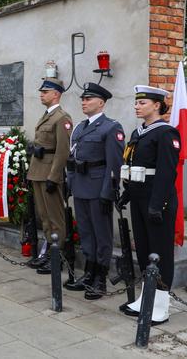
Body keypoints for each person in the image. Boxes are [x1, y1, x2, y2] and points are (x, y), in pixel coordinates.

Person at [119, 85, 180, 325]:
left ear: (157, 105)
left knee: (160, 253)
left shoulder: (166, 133)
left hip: (157, 201)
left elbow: (166, 172)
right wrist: (128, 193)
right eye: (136, 102)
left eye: (142, 103)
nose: (136, 106)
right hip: (140, 198)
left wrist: (158, 204)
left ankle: (161, 305)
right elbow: (135, 167)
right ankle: (147, 298)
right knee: (144, 249)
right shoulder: (139, 132)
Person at [64, 83, 124, 299]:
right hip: (80, 187)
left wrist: (109, 192)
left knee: (102, 234)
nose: (84, 102)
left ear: (101, 102)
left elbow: (115, 165)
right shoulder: (79, 128)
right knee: (87, 232)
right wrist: (69, 184)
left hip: (99, 189)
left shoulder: (110, 127)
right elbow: (72, 160)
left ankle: (100, 278)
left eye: (88, 99)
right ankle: (89, 272)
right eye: (83, 99)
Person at [26, 78, 73, 274]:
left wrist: (54, 178)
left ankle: (57, 256)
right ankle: (47, 252)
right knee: (44, 217)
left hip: (49, 174)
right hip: (38, 171)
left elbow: (62, 151)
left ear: (56, 94)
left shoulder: (62, 118)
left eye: (45, 92)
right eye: (41, 91)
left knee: (55, 218)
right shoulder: (46, 116)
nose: (41, 94)